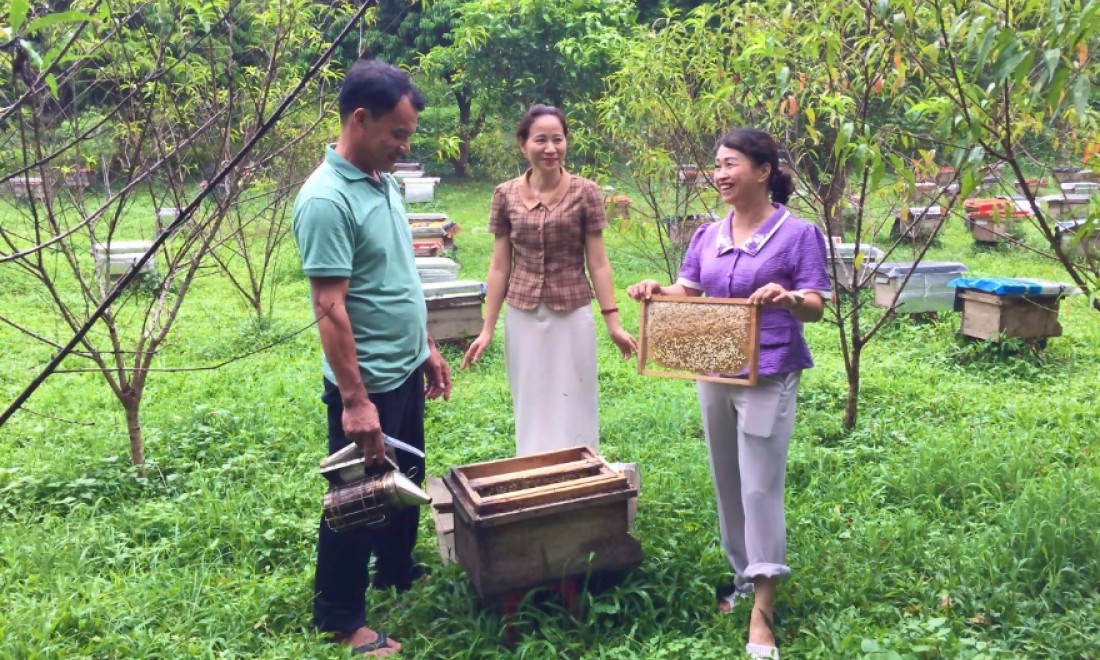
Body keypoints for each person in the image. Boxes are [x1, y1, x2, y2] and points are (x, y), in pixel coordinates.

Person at [627, 128, 830, 660]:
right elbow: (689, 292)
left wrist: (787, 299)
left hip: (768, 371)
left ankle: (763, 611)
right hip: (713, 367)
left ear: (763, 171)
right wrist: (655, 290)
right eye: (716, 164)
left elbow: (816, 303)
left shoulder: (798, 233)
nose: (719, 173)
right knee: (728, 479)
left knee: (761, 486)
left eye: (730, 163)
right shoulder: (707, 235)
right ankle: (743, 579)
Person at [291, 59, 452, 658]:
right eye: (398, 134)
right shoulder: (326, 199)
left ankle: (395, 570)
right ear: (360, 119)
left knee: (403, 476)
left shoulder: (380, 181)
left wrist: (428, 345)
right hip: (367, 380)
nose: (404, 146)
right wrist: (355, 400)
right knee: (356, 498)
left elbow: (398, 275)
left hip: (404, 364)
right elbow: (329, 306)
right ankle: (339, 614)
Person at [460, 104, 636, 456]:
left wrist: (613, 323)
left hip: (572, 313)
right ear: (523, 143)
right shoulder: (504, 194)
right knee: (530, 397)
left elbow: (598, 263)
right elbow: (499, 266)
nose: (551, 148)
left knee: (577, 395)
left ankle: (579, 472)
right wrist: (487, 328)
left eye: (558, 139)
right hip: (522, 314)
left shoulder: (586, 192)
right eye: (541, 140)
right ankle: (534, 472)